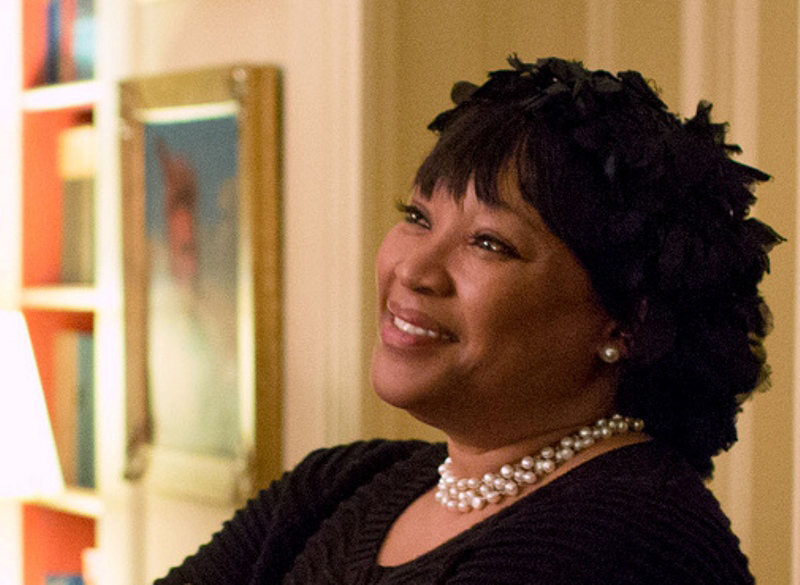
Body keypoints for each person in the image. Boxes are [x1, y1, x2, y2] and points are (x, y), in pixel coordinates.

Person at [155, 56, 783, 584]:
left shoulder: (619, 537)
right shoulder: (341, 486)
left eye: (490, 243)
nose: (414, 269)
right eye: (418, 217)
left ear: (626, 322)